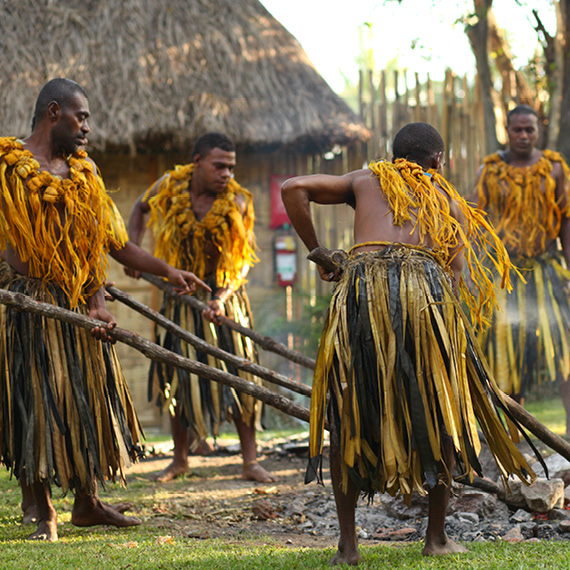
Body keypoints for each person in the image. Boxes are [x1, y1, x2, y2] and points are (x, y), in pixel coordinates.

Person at [281, 122, 539, 565]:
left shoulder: (364, 179)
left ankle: (348, 547)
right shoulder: (449, 200)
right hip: (425, 291)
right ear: (437, 161)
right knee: (442, 407)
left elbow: (293, 187)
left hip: (364, 286)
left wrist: (318, 250)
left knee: (352, 411)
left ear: (392, 154)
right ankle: (435, 539)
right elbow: (456, 272)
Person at [0, 78, 209, 541]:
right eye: (82, 117)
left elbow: (111, 243)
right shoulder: (7, 167)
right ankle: (45, 510)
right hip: (26, 301)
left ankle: (88, 504)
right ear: (54, 112)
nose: (88, 128)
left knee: (88, 397)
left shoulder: (85, 173)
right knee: (35, 398)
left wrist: (167, 271)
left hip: (79, 300)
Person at [127, 132, 277, 484]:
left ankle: (250, 461)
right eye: (219, 165)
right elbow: (138, 208)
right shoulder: (168, 185)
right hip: (178, 296)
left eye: (231, 166)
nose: (227, 173)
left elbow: (244, 260)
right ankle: (180, 459)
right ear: (197, 162)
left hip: (224, 297)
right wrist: (133, 249)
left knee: (242, 376)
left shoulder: (238, 201)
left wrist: (221, 298)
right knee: (177, 376)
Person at [473, 105, 570, 436]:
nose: (524, 135)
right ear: (507, 129)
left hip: (547, 270)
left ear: (537, 130)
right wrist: (476, 272)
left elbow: (566, 220)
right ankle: (515, 438)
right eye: (518, 130)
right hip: (505, 274)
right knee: (510, 353)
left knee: (564, 352)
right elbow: (476, 223)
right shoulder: (491, 170)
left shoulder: (554, 168)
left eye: (530, 130)